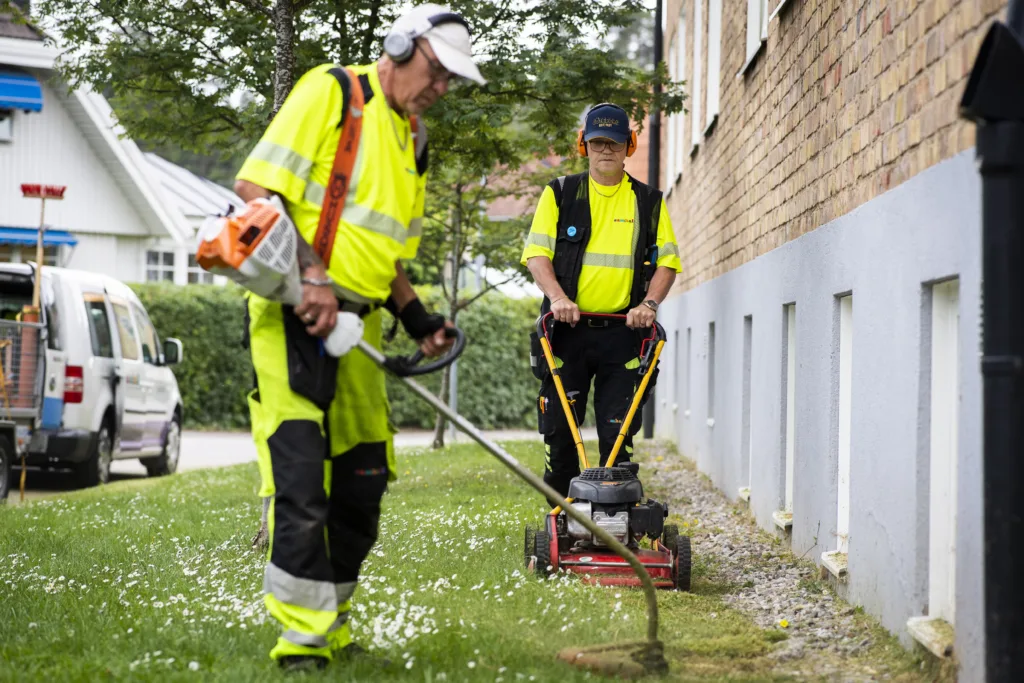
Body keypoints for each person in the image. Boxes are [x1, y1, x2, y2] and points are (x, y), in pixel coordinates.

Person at [233, 4, 485, 671]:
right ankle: (300, 644)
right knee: (300, 482)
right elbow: (255, 188)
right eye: (436, 71)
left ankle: (334, 626)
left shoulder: (415, 141)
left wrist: (419, 318)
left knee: (362, 483)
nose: (441, 88)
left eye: (452, 80)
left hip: (361, 327)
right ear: (401, 47)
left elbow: (386, 252)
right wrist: (311, 277)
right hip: (293, 315)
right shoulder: (333, 93)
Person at [521, 103, 681, 499]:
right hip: (566, 333)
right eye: (597, 143)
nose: (605, 150)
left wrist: (649, 305)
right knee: (560, 436)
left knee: (618, 435)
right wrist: (557, 298)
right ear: (584, 145)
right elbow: (537, 255)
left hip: (623, 335)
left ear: (630, 146)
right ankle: (562, 515)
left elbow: (668, 263)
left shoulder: (648, 201)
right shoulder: (560, 193)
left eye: (614, 142)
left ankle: (615, 519)